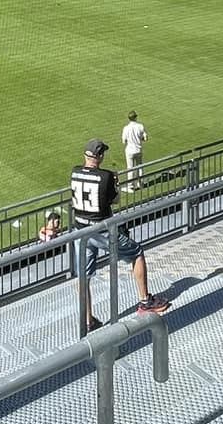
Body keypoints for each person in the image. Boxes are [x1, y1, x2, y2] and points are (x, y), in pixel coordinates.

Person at [68, 138, 168, 331]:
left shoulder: (75, 172)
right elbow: (114, 201)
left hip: (80, 230)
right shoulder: (106, 177)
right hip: (102, 229)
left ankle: (88, 320)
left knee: (83, 276)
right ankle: (145, 301)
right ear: (100, 156)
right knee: (137, 253)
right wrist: (115, 182)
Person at [121, 111, 146, 180]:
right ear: (135, 118)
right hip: (138, 149)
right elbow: (145, 138)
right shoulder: (140, 126)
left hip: (129, 150)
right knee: (140, 167)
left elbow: (124, 141)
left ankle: (130, 185)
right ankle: (140, 183)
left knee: (130, 168)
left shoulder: (126, 128)